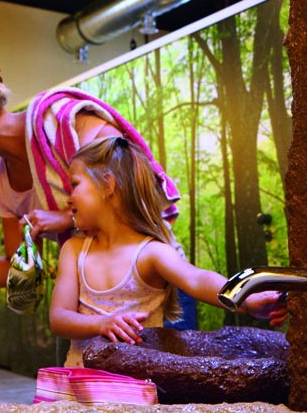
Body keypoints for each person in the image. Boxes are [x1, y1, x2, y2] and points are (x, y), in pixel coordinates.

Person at [0, 45, 185, 292]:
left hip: (152, 280)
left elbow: (139, 185)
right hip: (94, 300)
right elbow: (17, 267)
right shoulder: (2, 180)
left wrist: (66, 219)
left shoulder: (61, 121)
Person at [49, 137, 287, 367]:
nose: (69, 199)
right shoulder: (74, 250)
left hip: (136, 393)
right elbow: (59, 317)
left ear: (107, 184)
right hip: (80, 390)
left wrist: (245, 299)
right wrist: (101, 323)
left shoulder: (150, 254)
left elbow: (197, 279)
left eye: (75, 185)